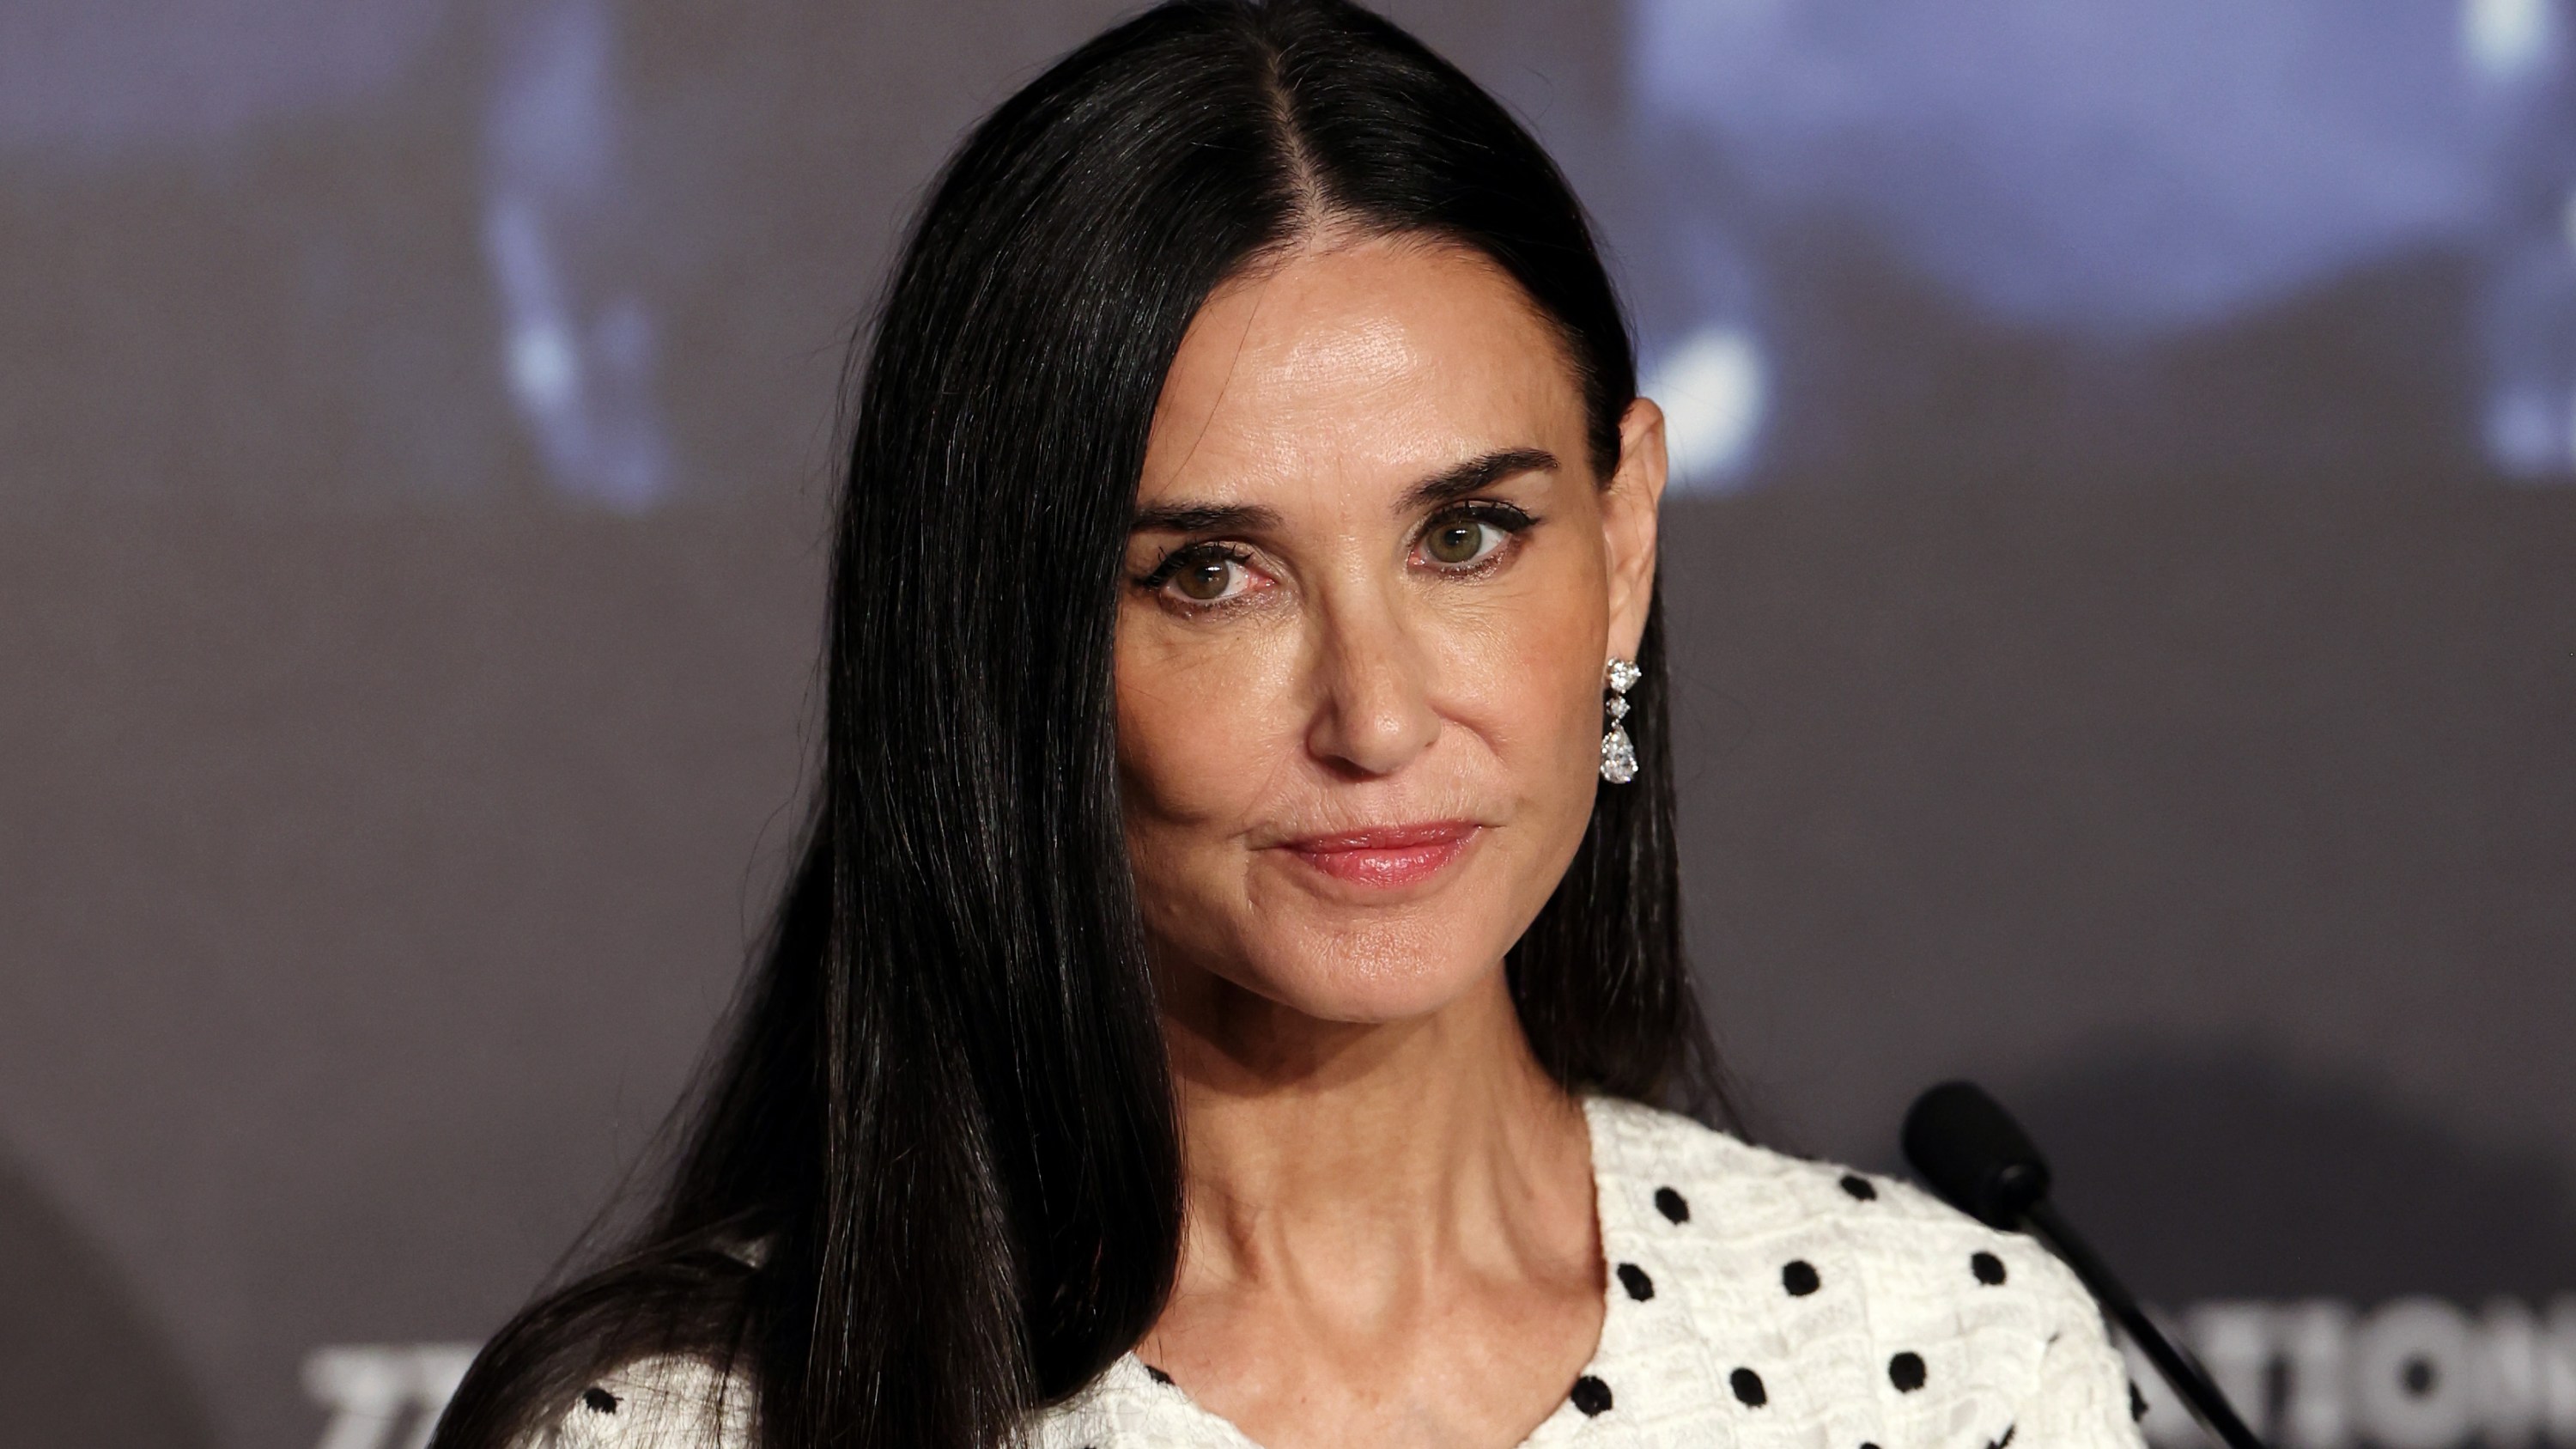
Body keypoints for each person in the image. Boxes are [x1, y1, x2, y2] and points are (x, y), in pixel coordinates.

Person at [433, 3, 2149, 1446]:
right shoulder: (700, 1423)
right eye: (1210, 576)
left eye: (1465, 536)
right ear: (1006, 639)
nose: (1378, 714)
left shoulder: (1949, 1366)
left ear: (1623, 548)